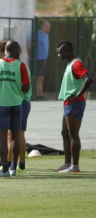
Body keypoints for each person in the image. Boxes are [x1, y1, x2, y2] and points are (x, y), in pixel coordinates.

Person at [0, 40, 30, 177]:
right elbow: (26, 87)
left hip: (2, 105)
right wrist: (17, 93)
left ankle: (4, 169)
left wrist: (0, 90)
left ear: (5, 51)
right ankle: (14, 167)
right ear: (17, 51)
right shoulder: (21, 66)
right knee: (15, 137)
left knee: (2, 138)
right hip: (17, 104)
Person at [56, 40, 93, 173]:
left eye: (60, 53)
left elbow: (89, 79)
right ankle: (67, 164)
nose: (58, 55)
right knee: (65, 133)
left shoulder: (76, 64)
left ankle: (75, 166)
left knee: (73, 134)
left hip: (75, 103)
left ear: (66, 52)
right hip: (69, 102)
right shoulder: (70, 63)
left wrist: (77, 94)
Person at [37, 21, 51, 100]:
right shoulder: (38, 34)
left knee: (41, 77)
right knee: (39, 77)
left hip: (43, 59)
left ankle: (40, 94)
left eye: (49, 26)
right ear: (42, 26)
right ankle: (39, 95)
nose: (49, 28)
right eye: (47, 26)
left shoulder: (47, 35)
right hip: (38, 58)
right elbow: (32, 44)